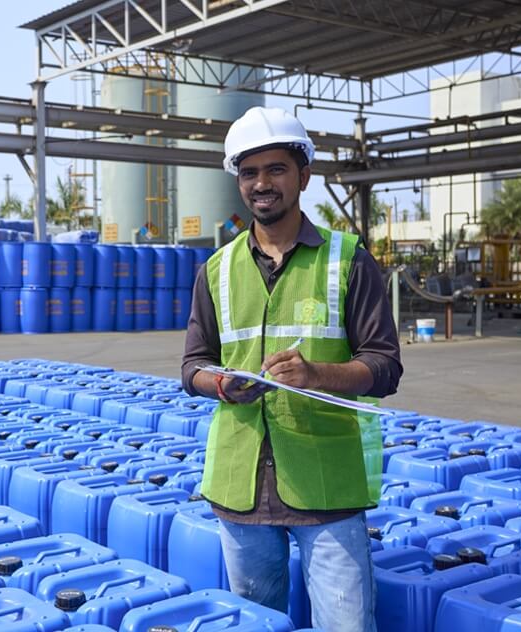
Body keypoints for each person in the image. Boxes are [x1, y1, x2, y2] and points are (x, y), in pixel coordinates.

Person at [181, 106, 402, 632]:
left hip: (326, 487)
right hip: (240, 487)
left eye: (276, 169)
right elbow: (192, 366)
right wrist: (221, 384)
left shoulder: (348, 260)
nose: (263, 184)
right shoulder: (216, 269)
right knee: (257, 624)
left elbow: (385, 365)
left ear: (304, 175)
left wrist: (317, 375)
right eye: (250, 172)